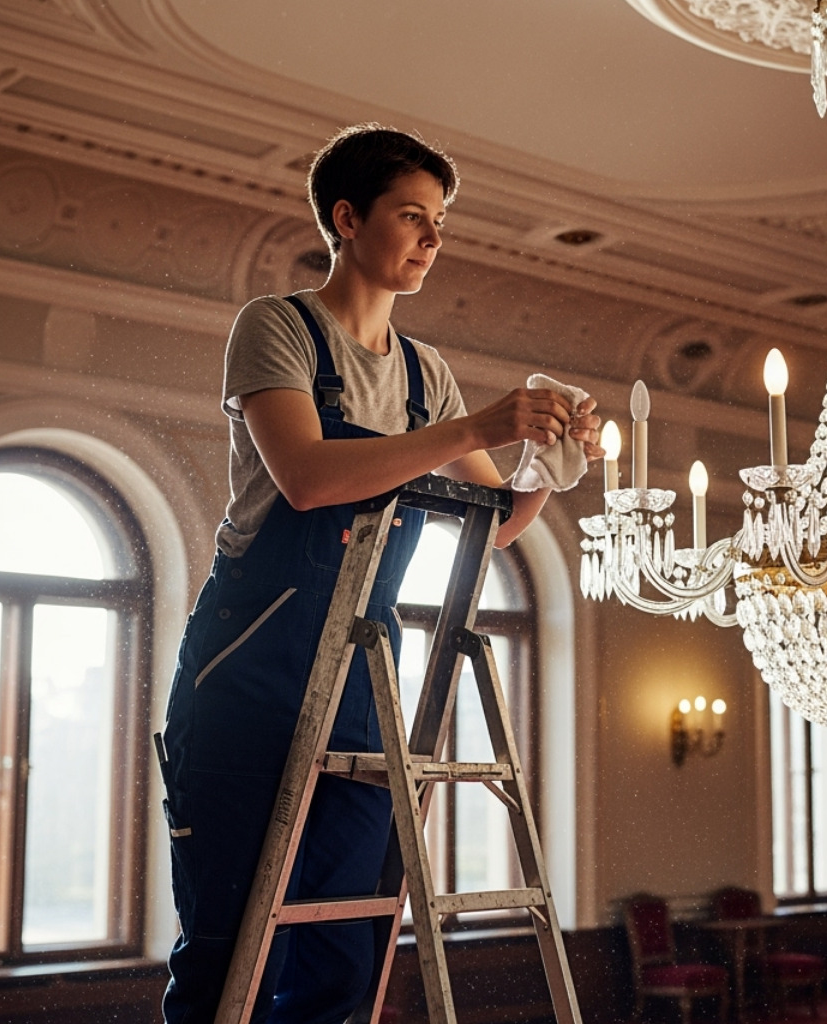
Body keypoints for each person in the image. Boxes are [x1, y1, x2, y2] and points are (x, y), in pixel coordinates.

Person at [159, 124, 602, 1024]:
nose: (433, 239)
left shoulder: (422, 374)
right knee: (230, 951)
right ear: (347, 217)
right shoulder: (277, 328)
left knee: (345, 951)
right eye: (413, 215)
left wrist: (553, 464)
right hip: (249, 668)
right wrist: (480, 429)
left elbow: (499, 525)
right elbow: (311, 478)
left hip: (365, 678)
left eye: (439, 221)